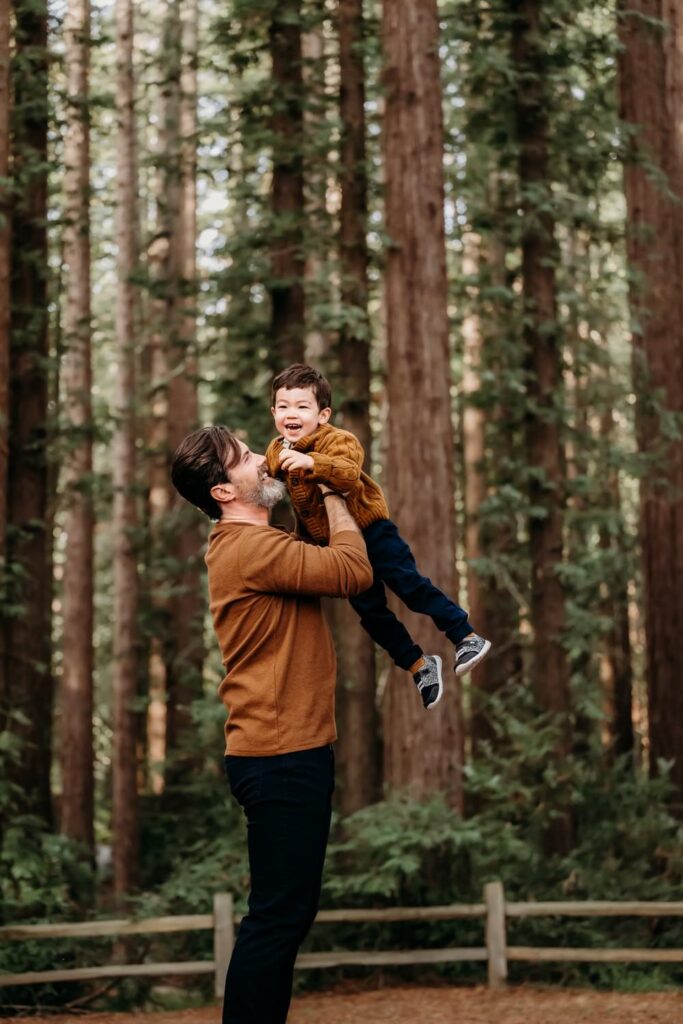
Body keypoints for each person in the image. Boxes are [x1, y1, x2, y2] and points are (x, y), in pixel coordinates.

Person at [170, 425, 373, 1024]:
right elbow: (351, 571)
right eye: (245, 459)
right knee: (278, 918)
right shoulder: (250, 549)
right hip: (281, 755)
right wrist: (334, 485)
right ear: (223, 492)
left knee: (285, 914)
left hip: (284, 751)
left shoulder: (254, 541)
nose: (264, 458)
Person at [266, 363, 491, 712]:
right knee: (371, 613)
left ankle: (466, 636)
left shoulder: (337, 440)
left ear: (323, 414)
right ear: (274, 412)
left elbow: (348, 473)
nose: (290, 414)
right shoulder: (276, 451)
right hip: (341, 548)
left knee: (409, 585)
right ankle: (419, 666)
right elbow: (283, 490)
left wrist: (314, 465)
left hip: (371, 529)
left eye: (301, 406)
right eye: (283, 406)